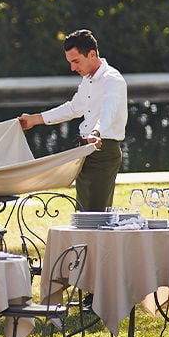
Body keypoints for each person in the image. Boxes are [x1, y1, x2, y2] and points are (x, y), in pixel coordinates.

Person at [18, 29, 128, 212]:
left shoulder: (112, 80)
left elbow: (108, 113)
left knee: (95, 216)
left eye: (76, 61)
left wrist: (96, 133)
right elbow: (73, 108)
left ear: (92, 54)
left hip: (103, 151)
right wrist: (34, 120)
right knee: (83, 214)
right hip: (85, 150)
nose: (72, 68)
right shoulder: (88, 79)